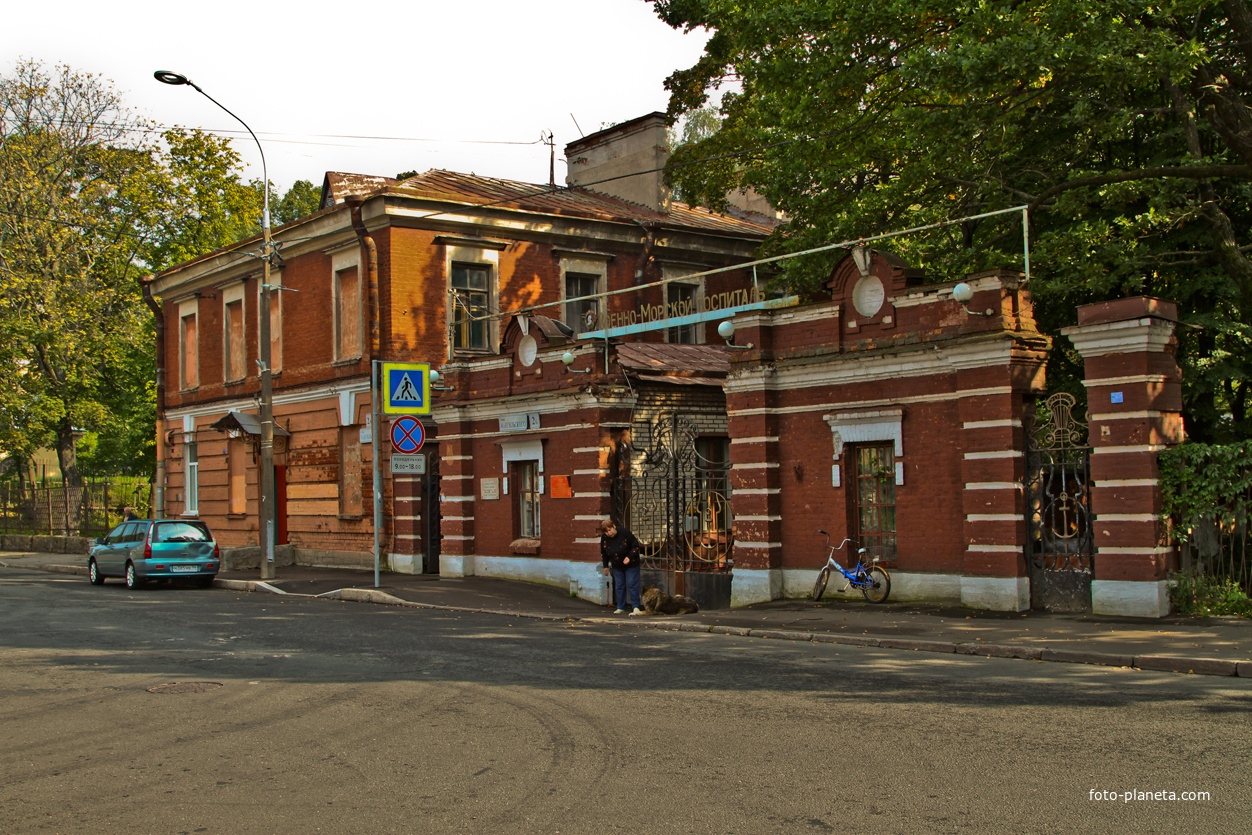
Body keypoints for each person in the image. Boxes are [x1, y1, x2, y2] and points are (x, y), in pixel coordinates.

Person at [599, 518, 643, 615]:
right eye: (606, 532)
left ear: (614, 526)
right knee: (619, 585)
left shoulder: (624, 532)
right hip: (616, 565)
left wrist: (629, 557)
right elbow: (604, 552)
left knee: (632, 584)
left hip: (631, 564)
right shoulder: (604, 538)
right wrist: (605, 566)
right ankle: (621, 607)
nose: (609, 533)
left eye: (610, 530)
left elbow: (635, 546)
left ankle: (635, 606)